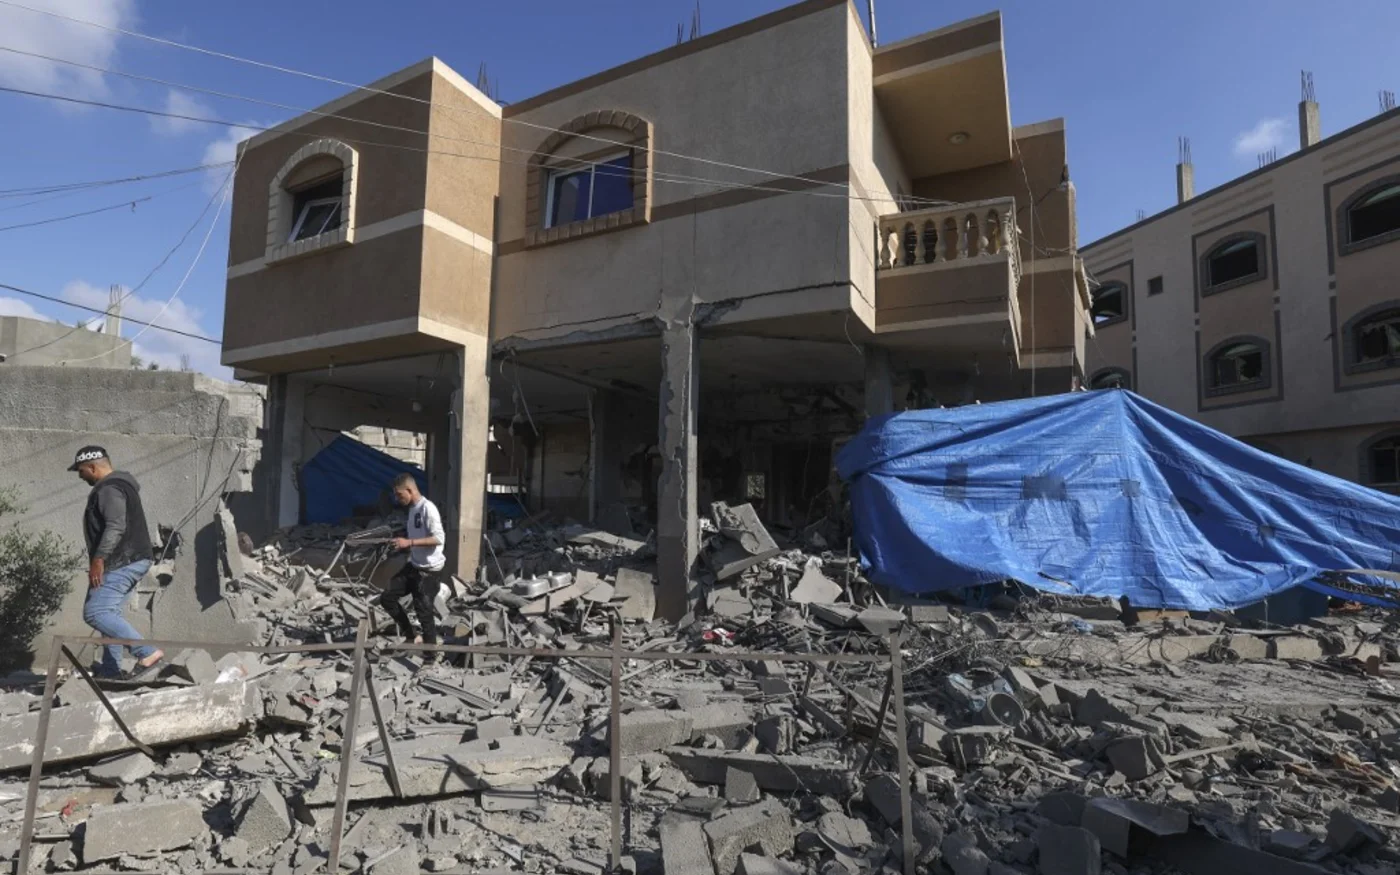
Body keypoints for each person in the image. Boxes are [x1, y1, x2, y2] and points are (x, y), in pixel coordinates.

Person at [71, 446, 163, 679]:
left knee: (95, 612)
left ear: (92, 467)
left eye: (81, 471)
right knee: (109, 614)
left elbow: (116, 526)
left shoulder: (109, 489)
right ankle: (111, 670)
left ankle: (147, 652)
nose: (80, 476)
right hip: (129, 559)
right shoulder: (121, 486)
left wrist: (99, 559)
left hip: (121, 560)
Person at [380, 472, 447, 653]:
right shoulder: (413, 510)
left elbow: (438, 538)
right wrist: (402, 544)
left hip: (429, 571)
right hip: (414, 565)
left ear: (410, 490)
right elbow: (417, 536)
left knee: (424, 612)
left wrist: (409, 542)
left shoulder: (428, 509)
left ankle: (430, 657)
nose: (397, 498)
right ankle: (411, 636)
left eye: (399, 494)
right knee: (387, 598)